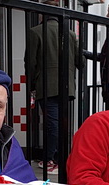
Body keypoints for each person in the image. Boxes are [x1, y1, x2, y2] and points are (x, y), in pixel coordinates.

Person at [25, 0, 84, 174]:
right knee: (61, 124)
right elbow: (81, 62)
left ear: (43, 12)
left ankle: (51, 159)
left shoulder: (35, 32)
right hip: (68, 88)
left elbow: (30, 63)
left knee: (52, 124)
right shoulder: (71, 34)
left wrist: (32, 85)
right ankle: (59, 159)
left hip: (46, 86)